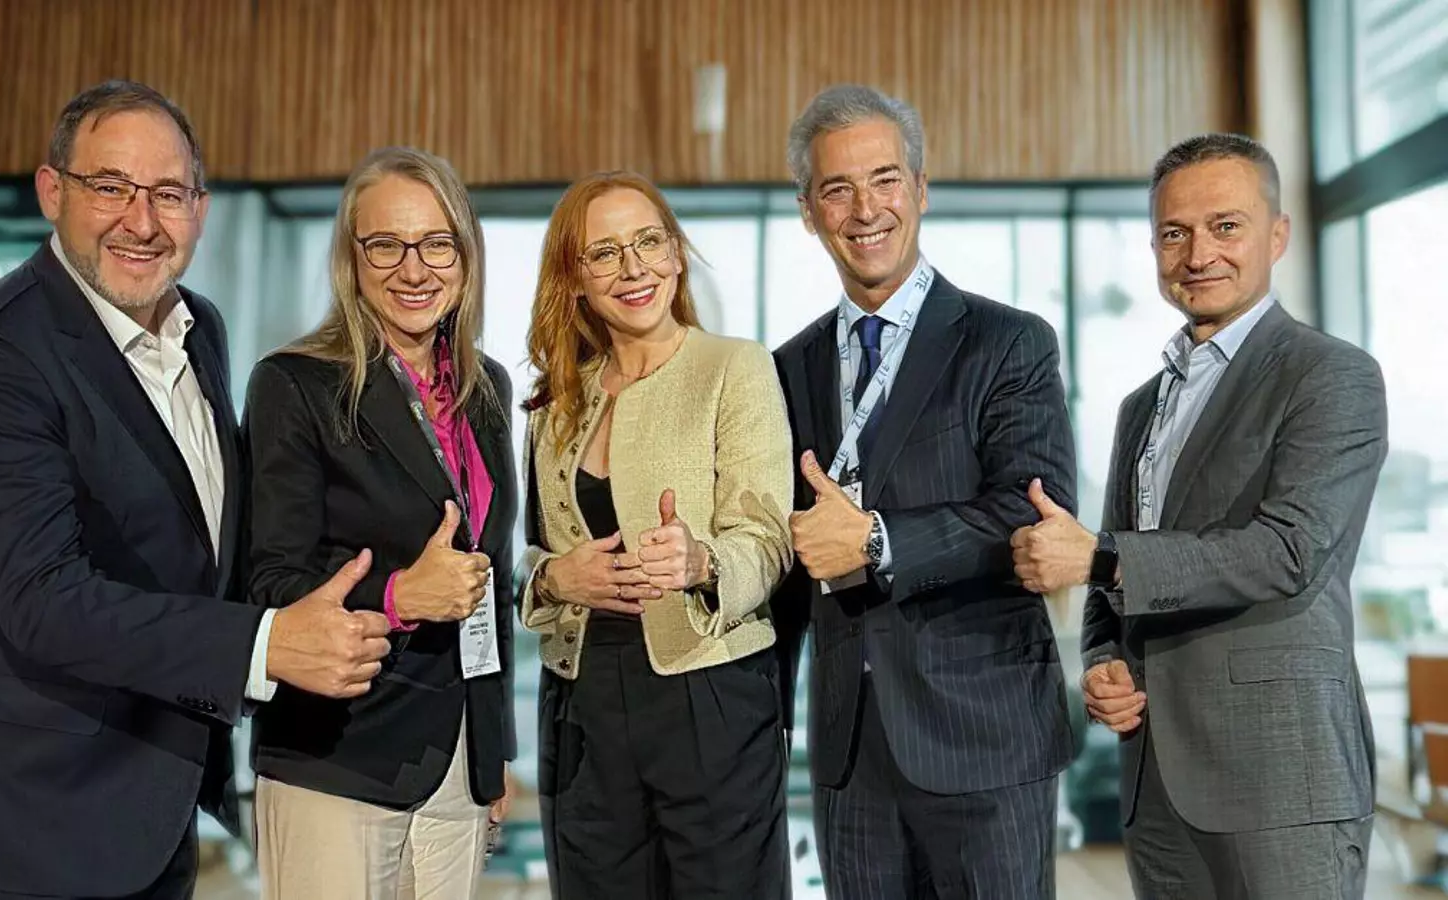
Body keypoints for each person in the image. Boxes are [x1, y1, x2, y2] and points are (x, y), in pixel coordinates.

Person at [0, 80, 391, 899]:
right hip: (21, 819)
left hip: (151, 801)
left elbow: (194, 542)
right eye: (110, 187)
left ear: (200, 210)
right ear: (52, 191)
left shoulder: (198, 328)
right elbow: (45, 601)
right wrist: (263, 645)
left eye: (168, 194)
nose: (141, 222)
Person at [1012, 133, 1386, 900]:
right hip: (1156, 777)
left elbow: (1288, 551)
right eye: (1174, 233)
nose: (1198, 254)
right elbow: (1114, 583)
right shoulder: (1140, 407)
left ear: (1277, 235)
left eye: (1226, 226)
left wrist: (1100, 558)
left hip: (1282, 779)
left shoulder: (1331, 375)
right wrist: (1103, 660)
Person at [770, 84, 1076, 898]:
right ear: (809, 212)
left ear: (921, 189)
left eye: (885, 179)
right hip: (850, 755)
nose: (866, 209)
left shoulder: (1008, 343)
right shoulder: (787, 369)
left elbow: (1031, 512)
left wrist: (877, 540)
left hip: (985, 736)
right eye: (838, 189)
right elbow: (785, 565)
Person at [243, 146, 517, 898]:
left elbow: (487, 578)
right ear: (351, 258)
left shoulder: (486, 389)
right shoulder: (294, 384)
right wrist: (399, 597)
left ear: (465, 255)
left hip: (457, 762)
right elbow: (268, 583)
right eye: (386, 245)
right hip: (338, 754)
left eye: (436, 244)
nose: (414, 269)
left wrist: (492, 750)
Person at [517, 171, 794, 898]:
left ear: (675, 253)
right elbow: (528, 552)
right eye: (605, 253)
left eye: (648, 242)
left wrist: (703, 560)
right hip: (580, 703)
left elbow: (768, 538)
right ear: (575, 279)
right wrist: (552, 578)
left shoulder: (735, 367)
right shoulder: (555, 400)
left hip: (709, 691)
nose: (633, 267)